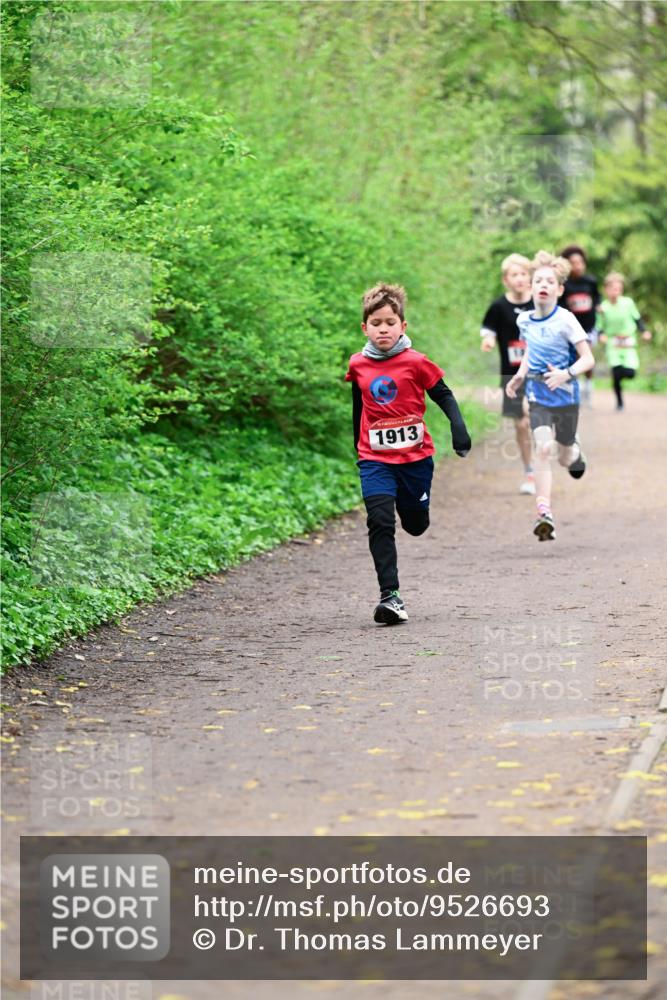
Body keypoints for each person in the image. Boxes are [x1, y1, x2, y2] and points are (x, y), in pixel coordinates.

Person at [346, 283, 471, 624]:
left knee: (415, 524)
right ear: (365, 328)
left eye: (389, 322)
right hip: (374, 458)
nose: (382, 328)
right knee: (380, 520)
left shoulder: (416, 362)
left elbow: (443, 395)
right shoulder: (358, 364)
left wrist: (459, 430)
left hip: (415, 459)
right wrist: (356, 443)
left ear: (403, 326)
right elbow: (359, 404)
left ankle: (416, 509)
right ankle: (391, 596)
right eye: (375, 323)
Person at [506, 251, 595, 542]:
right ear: (531, 287)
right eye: (538, 280)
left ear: (559, 289)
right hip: (539, 396)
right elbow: (531, 350)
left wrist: (566, 374)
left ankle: (575, 451)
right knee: (543, 448)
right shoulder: (525, 321)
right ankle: (544, 512)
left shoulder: (566, 320)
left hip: (566, 397)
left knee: (566, 457)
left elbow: (588, 359)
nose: (543, 285)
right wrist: (520, 375)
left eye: (549, 281)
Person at [480, 253, 535, 495]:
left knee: (538, 418)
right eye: (515, 275)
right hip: (511, 376)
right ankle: (530, 472)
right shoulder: (498, 306)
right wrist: (489, 340)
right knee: (521, 423)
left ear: (530, 278)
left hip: (541, 373)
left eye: (524, 274)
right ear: (506, 279)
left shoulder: (541, 303)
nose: (520, 279)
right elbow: (488, 329)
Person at [597, 272, 652, 410]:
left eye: (618, 289)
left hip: (628, 342)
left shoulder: (628, 303)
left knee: (630, 373)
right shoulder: (603, 307)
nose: (615, 292)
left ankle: (618, 375)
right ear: (606, 289)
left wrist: (644, 331)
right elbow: (599, 326)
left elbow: (637, 319)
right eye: (612, 288)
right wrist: (601, 335)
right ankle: (619, 402)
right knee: (616, 373)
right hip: (613, 343)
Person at [558, 244, 600, 407]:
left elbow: (597, 297)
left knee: (586, 355)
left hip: (588, 327)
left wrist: (597, 305)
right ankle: (574, 388)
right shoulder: (564, 284)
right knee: (573, 358)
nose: (578, 266)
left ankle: (588, 385)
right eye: (574, 263)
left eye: (580, 262)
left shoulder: (591, 281)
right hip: (570, 328)